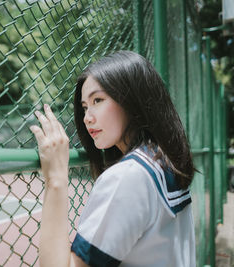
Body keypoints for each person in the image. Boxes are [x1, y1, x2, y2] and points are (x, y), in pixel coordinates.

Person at [29, 50, 196, 267]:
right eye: (84, 107)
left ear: (131, 99)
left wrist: (56, 179)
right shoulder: (163, 158)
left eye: (98, 100)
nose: (87, 118)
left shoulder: (128, 177)